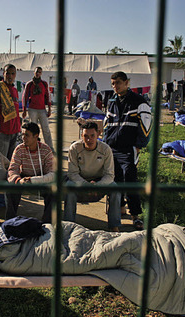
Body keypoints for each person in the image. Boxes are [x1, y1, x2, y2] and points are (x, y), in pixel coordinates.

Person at [103, 71, 152, 230]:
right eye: (112, 83)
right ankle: (119, 208)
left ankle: (136, 215)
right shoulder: (112, 101)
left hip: (128, 149)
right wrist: (105, 143)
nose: (115, 86)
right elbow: (107, 123)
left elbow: (146, 125)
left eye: (118, 82)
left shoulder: (138, 101)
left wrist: (138, 146)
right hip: (112, 148)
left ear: (127, 83)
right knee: (115, 180)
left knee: (130, 179)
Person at [65, 122, 121, 231]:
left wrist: (98, 185)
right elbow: (72, 173)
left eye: (92, 136)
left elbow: (109, 175)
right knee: (69, 187)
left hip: (99, 181)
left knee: (115, 189)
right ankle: (68, 224)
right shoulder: (75, 148)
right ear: (82, 136)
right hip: (80, 180)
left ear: (98, 134)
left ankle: (114, 225)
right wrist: (86, 185)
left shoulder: (106, 149)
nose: (89, 140)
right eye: (86, 136)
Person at [6, 122, 54, 222]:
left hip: (41, 180)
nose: (23, 138)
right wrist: (19, 180)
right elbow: (12, 169)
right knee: (10, 188)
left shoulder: (46, 150)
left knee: (52, 191)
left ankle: (47, 223)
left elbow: (52, 174)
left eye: (26, 135)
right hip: (23, 178)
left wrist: (34, 180)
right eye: (22, 134)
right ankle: (10, 222)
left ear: (36, 136)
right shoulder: (19, 149)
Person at [22, 67, 54, 151]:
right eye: (36, 72)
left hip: (42, 109)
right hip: (32, 110)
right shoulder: (29, 84)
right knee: (32, 130)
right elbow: (24, 97)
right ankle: (33, 147)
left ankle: (50, 148)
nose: (38, 73)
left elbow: (48, 95)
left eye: (39, 72)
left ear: (41, 73)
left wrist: (49, 108)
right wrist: (24, 110)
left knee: (46, 129)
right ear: (34, 72)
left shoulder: (44, 84)